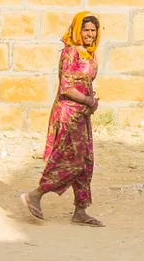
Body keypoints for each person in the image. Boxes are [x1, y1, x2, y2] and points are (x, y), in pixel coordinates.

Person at [20, 12, 104, 227]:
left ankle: (80, 210)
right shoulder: (70, 52)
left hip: (82, 114)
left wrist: (91, 102)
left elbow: (85, 83)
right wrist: (88, 100)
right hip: (68, 114)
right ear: (78, 30)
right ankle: (35, 195)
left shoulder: (91, 54)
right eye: (86, 30)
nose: (90, 34)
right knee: (70, 160)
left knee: (86, 161)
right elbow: (66, 87)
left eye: (93, 31)